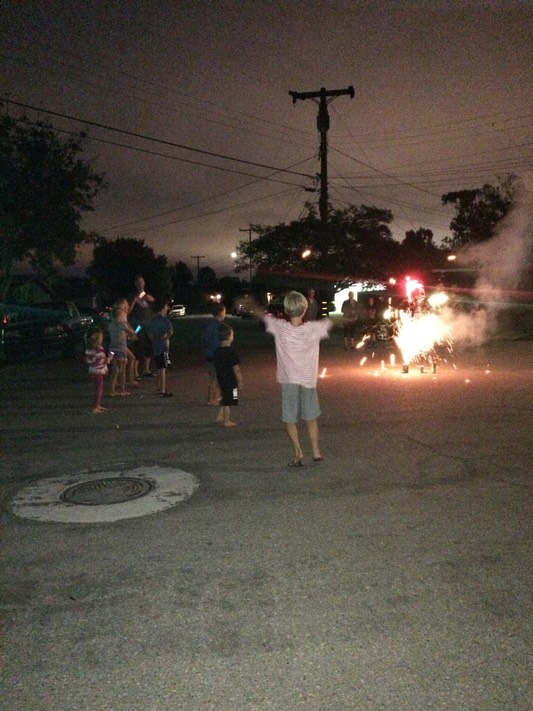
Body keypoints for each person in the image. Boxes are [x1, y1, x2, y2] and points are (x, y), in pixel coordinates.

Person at [263, 290, 332, 467]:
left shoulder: (280, 327)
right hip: (308, 380)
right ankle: (316, 451)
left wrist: (249, 305)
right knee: (311, 417)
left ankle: (298, 452)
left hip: (289, 380)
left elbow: (261, 315)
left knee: (290, 419)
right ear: (305, 309)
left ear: (286, 309)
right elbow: (331, 322)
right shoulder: (313, 329)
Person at [213, 322, 243, 427]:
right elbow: (236, 369)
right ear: (230, 336)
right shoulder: (231, 352)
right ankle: (227, 421)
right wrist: (240, 381)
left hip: (221, 378)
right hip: (231, 380)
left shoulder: (217, 351)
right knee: (229, 400)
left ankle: (220, 415)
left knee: (227, 396)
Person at [145, 299, 174, 397]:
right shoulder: (165, 320)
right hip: (163, 347)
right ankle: (162, 390)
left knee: (158, 367)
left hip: (155, 346)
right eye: (166, 307)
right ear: (162, 308)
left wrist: (153, 339)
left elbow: (148, 331)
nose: (167, 308)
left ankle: (159, 386)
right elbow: (170, 332)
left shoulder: (152, 320)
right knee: (163, 369)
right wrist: (164, 339)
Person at [108, 302, 136, 397]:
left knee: (115, 370)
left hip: (112, 349)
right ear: (120, 315)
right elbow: (132, 332)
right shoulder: (122, 325)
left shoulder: (110, 325)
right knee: (122, 370)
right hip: (121, 349)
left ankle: (112, 390)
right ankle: (122, 390)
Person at [130, 275, 155, 377]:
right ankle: (135, 372)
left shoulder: (146, 295)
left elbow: (153, 301)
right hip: (139, 325)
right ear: (136, 284)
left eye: (142, 282)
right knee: (138, 346)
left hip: (148, 324)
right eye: (139, 283)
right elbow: (129, 310)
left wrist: (151, 299)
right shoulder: (133, 296)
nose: (141, 284)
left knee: (149, 345)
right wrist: (134, 301)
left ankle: (146, 369)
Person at [84, 328, 112, 414]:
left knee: (98, 388)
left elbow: (89, 360)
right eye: (101, 337)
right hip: (98, 371)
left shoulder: (89, 349)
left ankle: (97, 405)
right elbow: (103, 360)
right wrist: (110, 358)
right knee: (99, 389)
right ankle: (95, 406)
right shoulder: (99, 349)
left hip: (93, 370)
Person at [205, 302, 226, 406]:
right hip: (216, 355)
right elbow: (218, 342)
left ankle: (214, 397)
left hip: (210, 354)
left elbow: (207, 339)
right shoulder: (218, 326)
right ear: (221, 312)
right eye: (224, 311)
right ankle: (210, 399)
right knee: (214, 378)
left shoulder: (211, 324)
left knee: (215, 378)